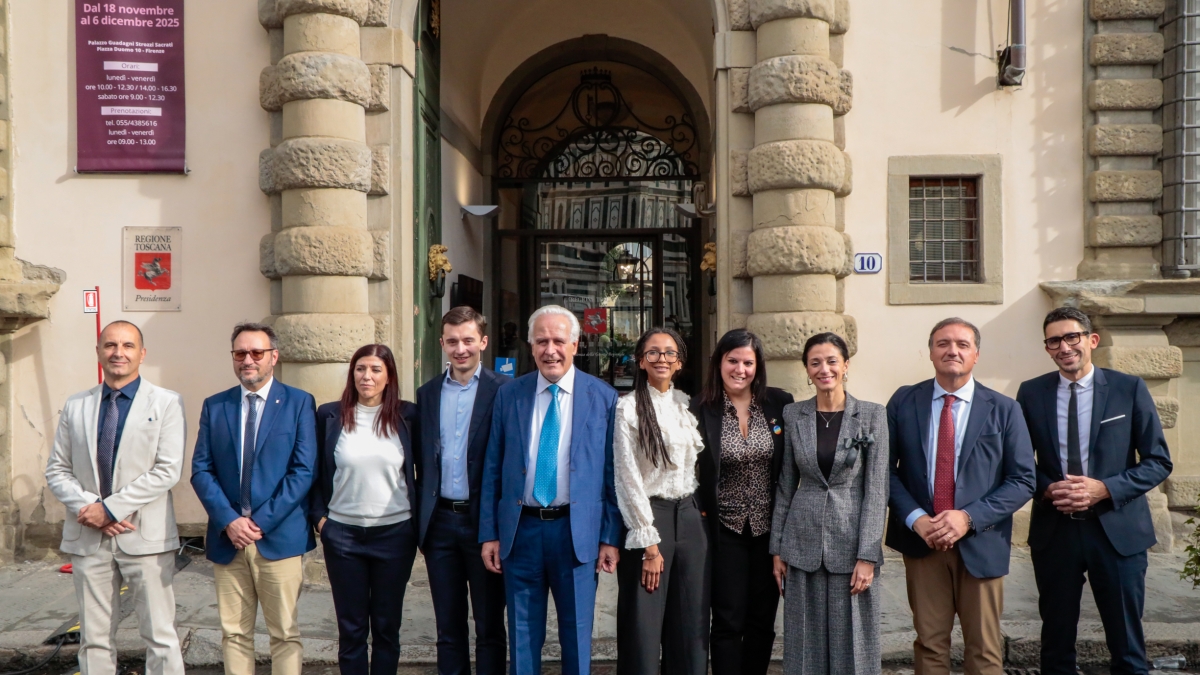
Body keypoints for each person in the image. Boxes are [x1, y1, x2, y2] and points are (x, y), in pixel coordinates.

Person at [1016, 307, 1172, 675]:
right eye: (1054, 340)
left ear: (1091, 341)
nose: (1065, 346)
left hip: (1117, 532)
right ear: (1047, 348)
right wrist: (1048, 489)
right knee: (1055, 643)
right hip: (1056, 533)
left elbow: (1157, 461)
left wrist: (1105, 488)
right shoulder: (1031, 393)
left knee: (1127, 645)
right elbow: (1020, 463)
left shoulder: (1128, 388)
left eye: (1073, 337)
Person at [886, 318, 1035, 675]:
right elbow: (883, 471)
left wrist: (967, 518)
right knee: (929, 644)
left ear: (976, 355)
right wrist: (915, 518)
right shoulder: (905, 401)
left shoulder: (1004, 409)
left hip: (980, 542)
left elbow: (1023, 480)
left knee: (984, 649)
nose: (952, 350)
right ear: (931, 352)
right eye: (943, 343)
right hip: (923, 542)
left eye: (962, 344)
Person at [478, 305, 622, 675]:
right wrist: (490, 532)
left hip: (576, 533)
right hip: (520, 531)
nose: (550, 350)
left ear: (575, 344)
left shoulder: (603, 398)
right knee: (522, 635)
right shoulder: (510, 395)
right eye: (541, 341)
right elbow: (493, 467)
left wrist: (609, 537)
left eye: (559, 340)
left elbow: (612, 473)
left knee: (577, 634)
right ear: (531, 345)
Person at [45, 321, 187, 675]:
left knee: (160, 636)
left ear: (142, 353)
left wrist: (109, 509)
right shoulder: (77, 405)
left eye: (127, 345)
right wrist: (89, 509)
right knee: (93, 640)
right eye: (110, 345)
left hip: (145, 536)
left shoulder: (167, 402)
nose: (118, 352)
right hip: (89, 537)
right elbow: (57, 470)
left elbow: (167, 470)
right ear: (98, 352)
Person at [190, 322, 317, 675]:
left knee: (285, 634)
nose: (248, 360)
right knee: (233, 634)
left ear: (273, 357)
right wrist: (229, 520)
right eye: (240, 353)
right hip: (227, 538)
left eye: (256, 352)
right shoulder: (215, 406)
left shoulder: (298, 403)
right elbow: (201, 470)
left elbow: (303, 471)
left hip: (277, 537)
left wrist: (258, 523)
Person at [770, 332, 888, 675]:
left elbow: (876, 489)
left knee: (854, 642)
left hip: (851, 545)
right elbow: (786, 485)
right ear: (807, 370)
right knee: (804, 643)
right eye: (815, 362)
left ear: (846, 365)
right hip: (800, 544)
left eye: (832, 361)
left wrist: (867, 555)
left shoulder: (871, 415)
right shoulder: (794, 415)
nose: (824, 369)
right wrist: (777, 548)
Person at [309, 344, 418, 675]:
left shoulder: (409, 416)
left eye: (375, 370)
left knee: (387, 628)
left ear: (389, 377)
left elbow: (427, 470)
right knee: (352, 629)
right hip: (343, 535)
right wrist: (320, 520)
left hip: (396, 534)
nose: (366, 376)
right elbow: (313, 472)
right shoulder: (329, 416)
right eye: (360, 369)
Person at [691, 328, 794, 675]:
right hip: (724, 532)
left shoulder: (780, 403)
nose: (740, 369)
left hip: (769, 532)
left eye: (748, 362)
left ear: (758, 366)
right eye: (732, 360)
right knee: (727, 620)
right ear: (719, 362)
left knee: (762, 621)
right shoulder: (700, 409)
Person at [414, 307, 506, 675]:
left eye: (468, 340)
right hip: (440, 526)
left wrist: (494, 528)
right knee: (448, 627)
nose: (460, 348)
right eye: (452, 341)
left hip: (483, 524)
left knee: (489, 626)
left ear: (483, 342)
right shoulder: (427, 393)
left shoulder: (504, 391)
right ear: (442, 344)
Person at [614, 328, 708, 675]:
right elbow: (627, 477)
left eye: (669, 353)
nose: (661, 359)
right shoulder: (627, 408)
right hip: (649, 519)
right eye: (653, 353)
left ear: (679, 361)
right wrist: (650, 545)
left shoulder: (685, 404)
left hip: (688, 518)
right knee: (644, 627)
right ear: (641, 361)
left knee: (690, 625)